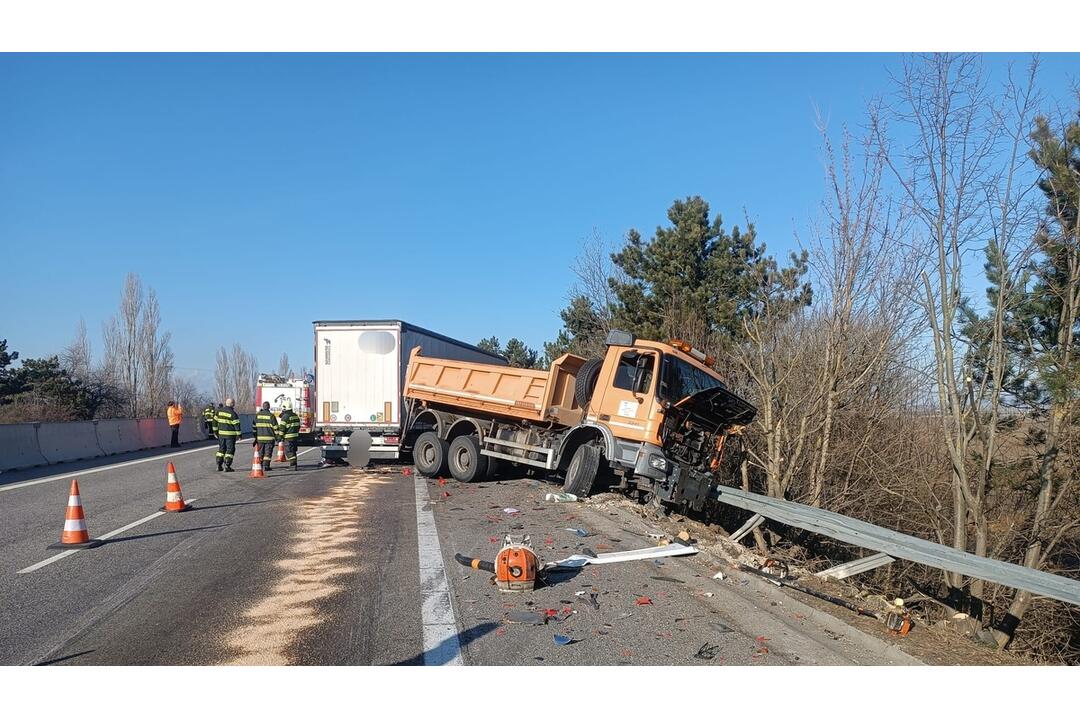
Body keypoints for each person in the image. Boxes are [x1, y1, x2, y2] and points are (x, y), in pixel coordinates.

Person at [214, 398, 241, 472]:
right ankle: (227, 466)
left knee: (221, 449)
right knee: (230, 450)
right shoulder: (233, 413)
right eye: (234, 403)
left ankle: (219, 465)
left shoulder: (219, 411)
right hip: (230, 436)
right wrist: (239, 435)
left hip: (221, 435)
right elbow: (237, 425)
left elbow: (214, 422)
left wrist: (215, 431)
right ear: (232, 404)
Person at [254, 401, 279, 472]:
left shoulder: (257, 415)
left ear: (263, 406)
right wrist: (278, 438)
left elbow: (254, 426)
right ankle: (266, 466)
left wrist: (255, 436)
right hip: (269, 438)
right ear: (269, 407)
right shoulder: (271, 416)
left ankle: (261, 465)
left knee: (261, 452)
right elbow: (276, 428)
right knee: (268, 453)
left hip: (260, 438)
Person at [279, 399, 302, 471]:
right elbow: (298, 426)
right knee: (293, 451)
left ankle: (293, 465)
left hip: (288, 438)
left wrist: (280, 437)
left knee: (289, 452)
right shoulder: (295, 415)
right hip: (295, 437)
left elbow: (282, 428)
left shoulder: (285, 416)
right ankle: (294, 465)